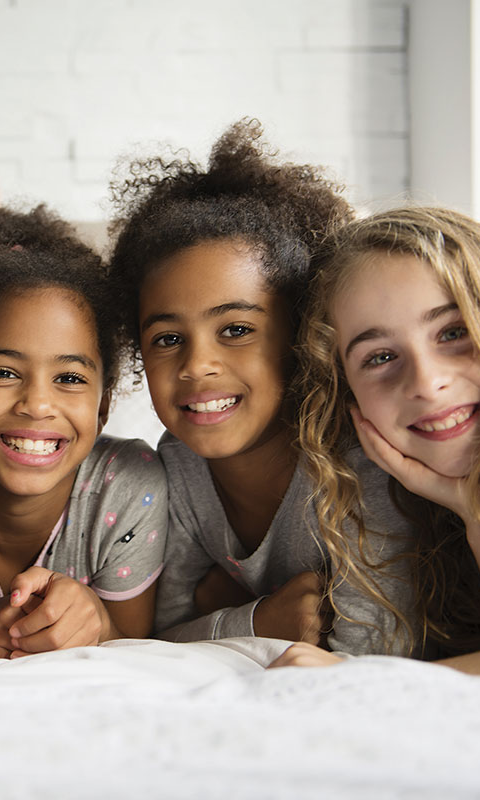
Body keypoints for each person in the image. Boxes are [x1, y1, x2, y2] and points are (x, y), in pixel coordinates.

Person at [107, 119, 420, 655]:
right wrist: (258, 619)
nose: (197, 365)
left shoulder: (357, 465)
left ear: (300, 335)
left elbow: (371, 659)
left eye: (236, 330)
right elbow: (156, 641)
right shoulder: (178, 467)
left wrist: (216, 608)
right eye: (166, 338)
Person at [272, 206, 480, 674]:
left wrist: (375, 682)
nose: (426, 382)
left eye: (454, 332)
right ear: (348, 396)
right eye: (379, 357)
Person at [0, 203, 168, 658]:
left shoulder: (128, 486)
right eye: (3, 372)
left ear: (103, 407)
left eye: (69, 378)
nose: (38, 404)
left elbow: (134, 643)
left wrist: (96, 620)